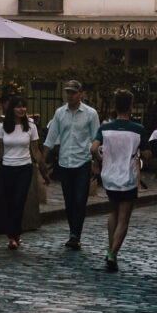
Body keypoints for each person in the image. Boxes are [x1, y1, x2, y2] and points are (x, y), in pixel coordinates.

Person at [91, 89, 150, 273]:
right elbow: (147, 154)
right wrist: (140, 159)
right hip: (128, 176)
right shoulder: (138, 130)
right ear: (131, 106)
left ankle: (112, 252)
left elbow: (93, 148)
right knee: (124, 218)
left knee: (113, 212)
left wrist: (102, 159)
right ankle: (112, 252)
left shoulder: (105, 128)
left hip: (109, 175)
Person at [43, 79, 100, 250]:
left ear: (81, 94)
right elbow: (51, 138)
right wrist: (42, 162)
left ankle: (75, 235)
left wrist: (96, 163)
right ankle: (72, 231)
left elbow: (97, 138)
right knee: (69, 201)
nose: (70, 95)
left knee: (80, 200)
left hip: (82, 161)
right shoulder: (60, 113)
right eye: (67, 92)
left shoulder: (91, 114)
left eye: (73, 92)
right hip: (65, 162)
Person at [0, 96, 49, 249]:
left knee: (19, 200)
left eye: (24, 107)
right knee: (9, 201)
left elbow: (35, 150)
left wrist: (43, 168)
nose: (22, 109)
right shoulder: (4, 126)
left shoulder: (30, 126)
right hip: (7, 167)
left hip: (24, 167)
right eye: (18, 107)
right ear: (12, 109)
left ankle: (14, 236)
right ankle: (14, 234)